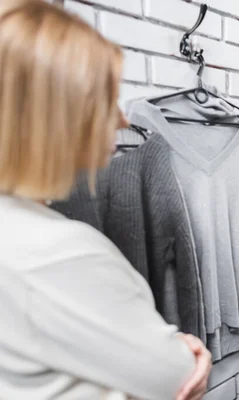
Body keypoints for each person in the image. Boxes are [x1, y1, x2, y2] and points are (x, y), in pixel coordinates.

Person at [0, 1, 211, 399]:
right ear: (63, 117)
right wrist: (188, 348)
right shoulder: (60, 251)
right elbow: (178, 381)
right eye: (105, 102)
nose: (123, 120)